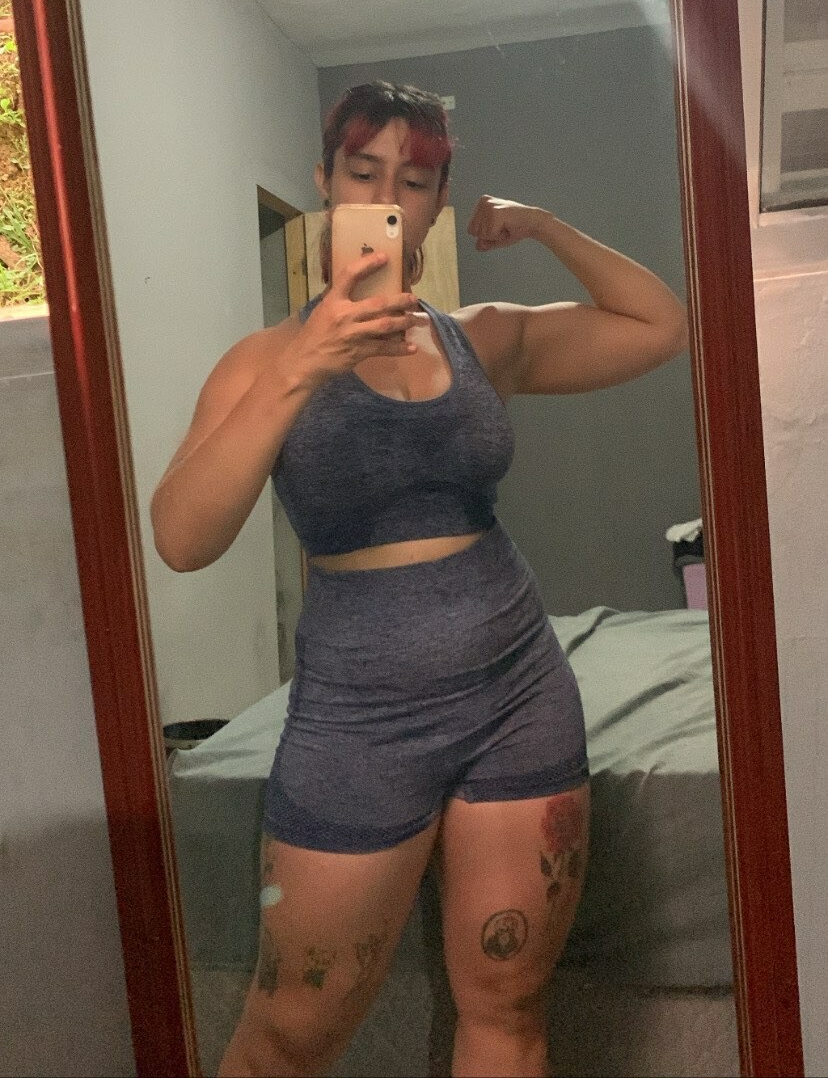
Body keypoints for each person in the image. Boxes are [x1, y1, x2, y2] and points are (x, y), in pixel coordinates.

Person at [151, 81, 688, 1078]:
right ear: (324, 183)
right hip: (359, 721)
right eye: (363, 172)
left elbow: (661, 324)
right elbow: (182, 536)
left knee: (508, 1006)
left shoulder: (480, 338)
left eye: (413, 180)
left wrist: (543, 225)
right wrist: (301, 370)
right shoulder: (261, 362)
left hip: (519, 697)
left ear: (438, 203)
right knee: (289, 1032)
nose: (385, 196)